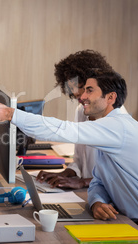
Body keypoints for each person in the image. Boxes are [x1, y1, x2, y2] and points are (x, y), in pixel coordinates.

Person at [0, 69, 138, 222]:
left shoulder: (120, 127)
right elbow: (98, 182)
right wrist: (97, 202)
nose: (83, 96)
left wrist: (11, 114)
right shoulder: (106, 131)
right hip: (125, 219)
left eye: (90, 90)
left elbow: (63, 130)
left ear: (110, 97)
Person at [36, 50, 126, 189]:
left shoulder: (118, 119)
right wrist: (64, 174)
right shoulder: (81, 111)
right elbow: (79, 161)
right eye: (72, 89)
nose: (77, 95)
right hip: (90, 192)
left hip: (109, 197)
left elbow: (119, 176)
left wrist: (82, 182)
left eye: (81, 88)